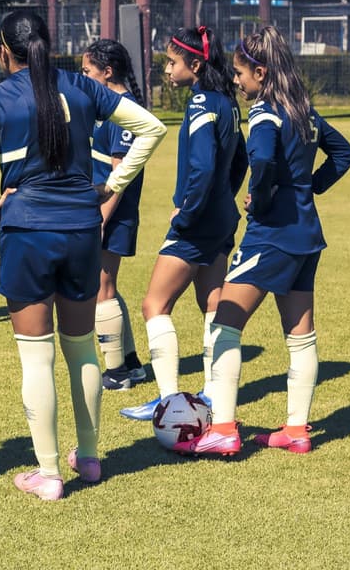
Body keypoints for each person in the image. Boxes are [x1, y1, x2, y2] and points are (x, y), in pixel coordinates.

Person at [0, 10, 165, 501]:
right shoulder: (83, 88)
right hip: (83, 229)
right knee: (82, 346)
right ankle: (88, 458)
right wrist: (110, 187)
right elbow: (151, 128)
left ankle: (47, 474)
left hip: (26, 232)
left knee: (36, 358)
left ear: (4, 50)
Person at [174, 27, 350, 455]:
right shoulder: (305, 111)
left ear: (260, 71)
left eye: (239, 74)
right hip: (307, 237)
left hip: (271, 237)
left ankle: (222, 428)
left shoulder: (264, 112)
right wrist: (309, 188)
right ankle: (296, 430)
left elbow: (262, 158)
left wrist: (266, 194)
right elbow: (344, 154)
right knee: (301, 337)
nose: (235, 81)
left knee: (222, 327)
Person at [119, 25, 248, 422]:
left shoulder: (200, 103)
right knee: (212, 303)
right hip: (222, 219)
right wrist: (223, 198)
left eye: (172, 62)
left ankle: (169, 401)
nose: (167, 69)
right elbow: (240, 160)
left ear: (195, 63)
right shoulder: (227, 102)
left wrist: (187, 210)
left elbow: (204, 166)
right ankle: (211, 392)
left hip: (197, 222)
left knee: (154, 304)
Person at [81, 40, 149, 391]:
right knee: (108, 286)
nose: (83, 77)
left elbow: (119, 177)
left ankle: (116, 372)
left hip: (113, 212)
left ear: (107, 73)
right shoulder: (106, 107)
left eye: (88, 71)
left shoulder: (125, 110)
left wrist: (102, 218)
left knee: (101, 289)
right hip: (104, 209)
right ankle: (132, 363)